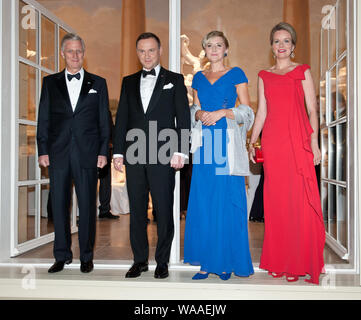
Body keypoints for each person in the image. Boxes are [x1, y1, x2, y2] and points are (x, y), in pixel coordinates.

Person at [248, 22, 325, 284]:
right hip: (274, 145)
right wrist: (252, 140)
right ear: (271, 46)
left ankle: (298, 262)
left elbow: (313, 110)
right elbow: (262, 112)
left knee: (298, 202)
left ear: (293, 46)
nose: (281, 46)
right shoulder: (263, 75)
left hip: (298, 143)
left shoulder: (302, 71)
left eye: (286, 41)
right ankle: (280, 260)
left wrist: (314, 144)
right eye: (277, 41)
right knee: (277, 203)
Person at [113, 32, 190, 279]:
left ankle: (162, 261)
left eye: (151, 50)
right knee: (136, 211)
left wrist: (181, 151)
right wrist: (117, 151)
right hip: (134, 155)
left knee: (163, 210)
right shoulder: (128, 81)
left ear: (160, 51)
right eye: (142, 51)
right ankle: (139, 261)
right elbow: (122, 118)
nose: (146, 55)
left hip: (164, 154)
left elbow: (183, 118)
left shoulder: (175, 80)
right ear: (137, 53)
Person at [37, 33, 111, 274]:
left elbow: (103, 121)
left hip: (88, 153)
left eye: (79, 51)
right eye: (70, 51)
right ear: (62, 54)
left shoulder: (98, 83)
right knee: (59, 205)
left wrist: (103, 151)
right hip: (58, 153)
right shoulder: (50, 83)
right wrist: (43, 149)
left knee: (88, 206)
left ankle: (86, 256)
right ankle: (61, 255)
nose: (75, 55)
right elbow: (44, 118)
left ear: (84, 53)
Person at [183, 31, 254, 281]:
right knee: (204, 201)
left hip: (227, 145)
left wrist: (224, 112)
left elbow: (247, 112)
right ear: (205, 50)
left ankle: (224, 261)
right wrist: (199, 114)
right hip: (205, 147)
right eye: (209, 45)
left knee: (225, 202)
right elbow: (195, 107)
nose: (214, 49)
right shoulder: (198, 79)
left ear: (226, 49)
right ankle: (205, 262)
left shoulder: (237, 74)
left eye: (219, 45)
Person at [98, 111, 119, 219]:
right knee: (87, 184)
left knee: (106, 183)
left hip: (105, 152)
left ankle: (105, 210)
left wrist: (113, 143)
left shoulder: (106, 111)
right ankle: (85, 213)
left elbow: (111, 128)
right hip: (89, 152)